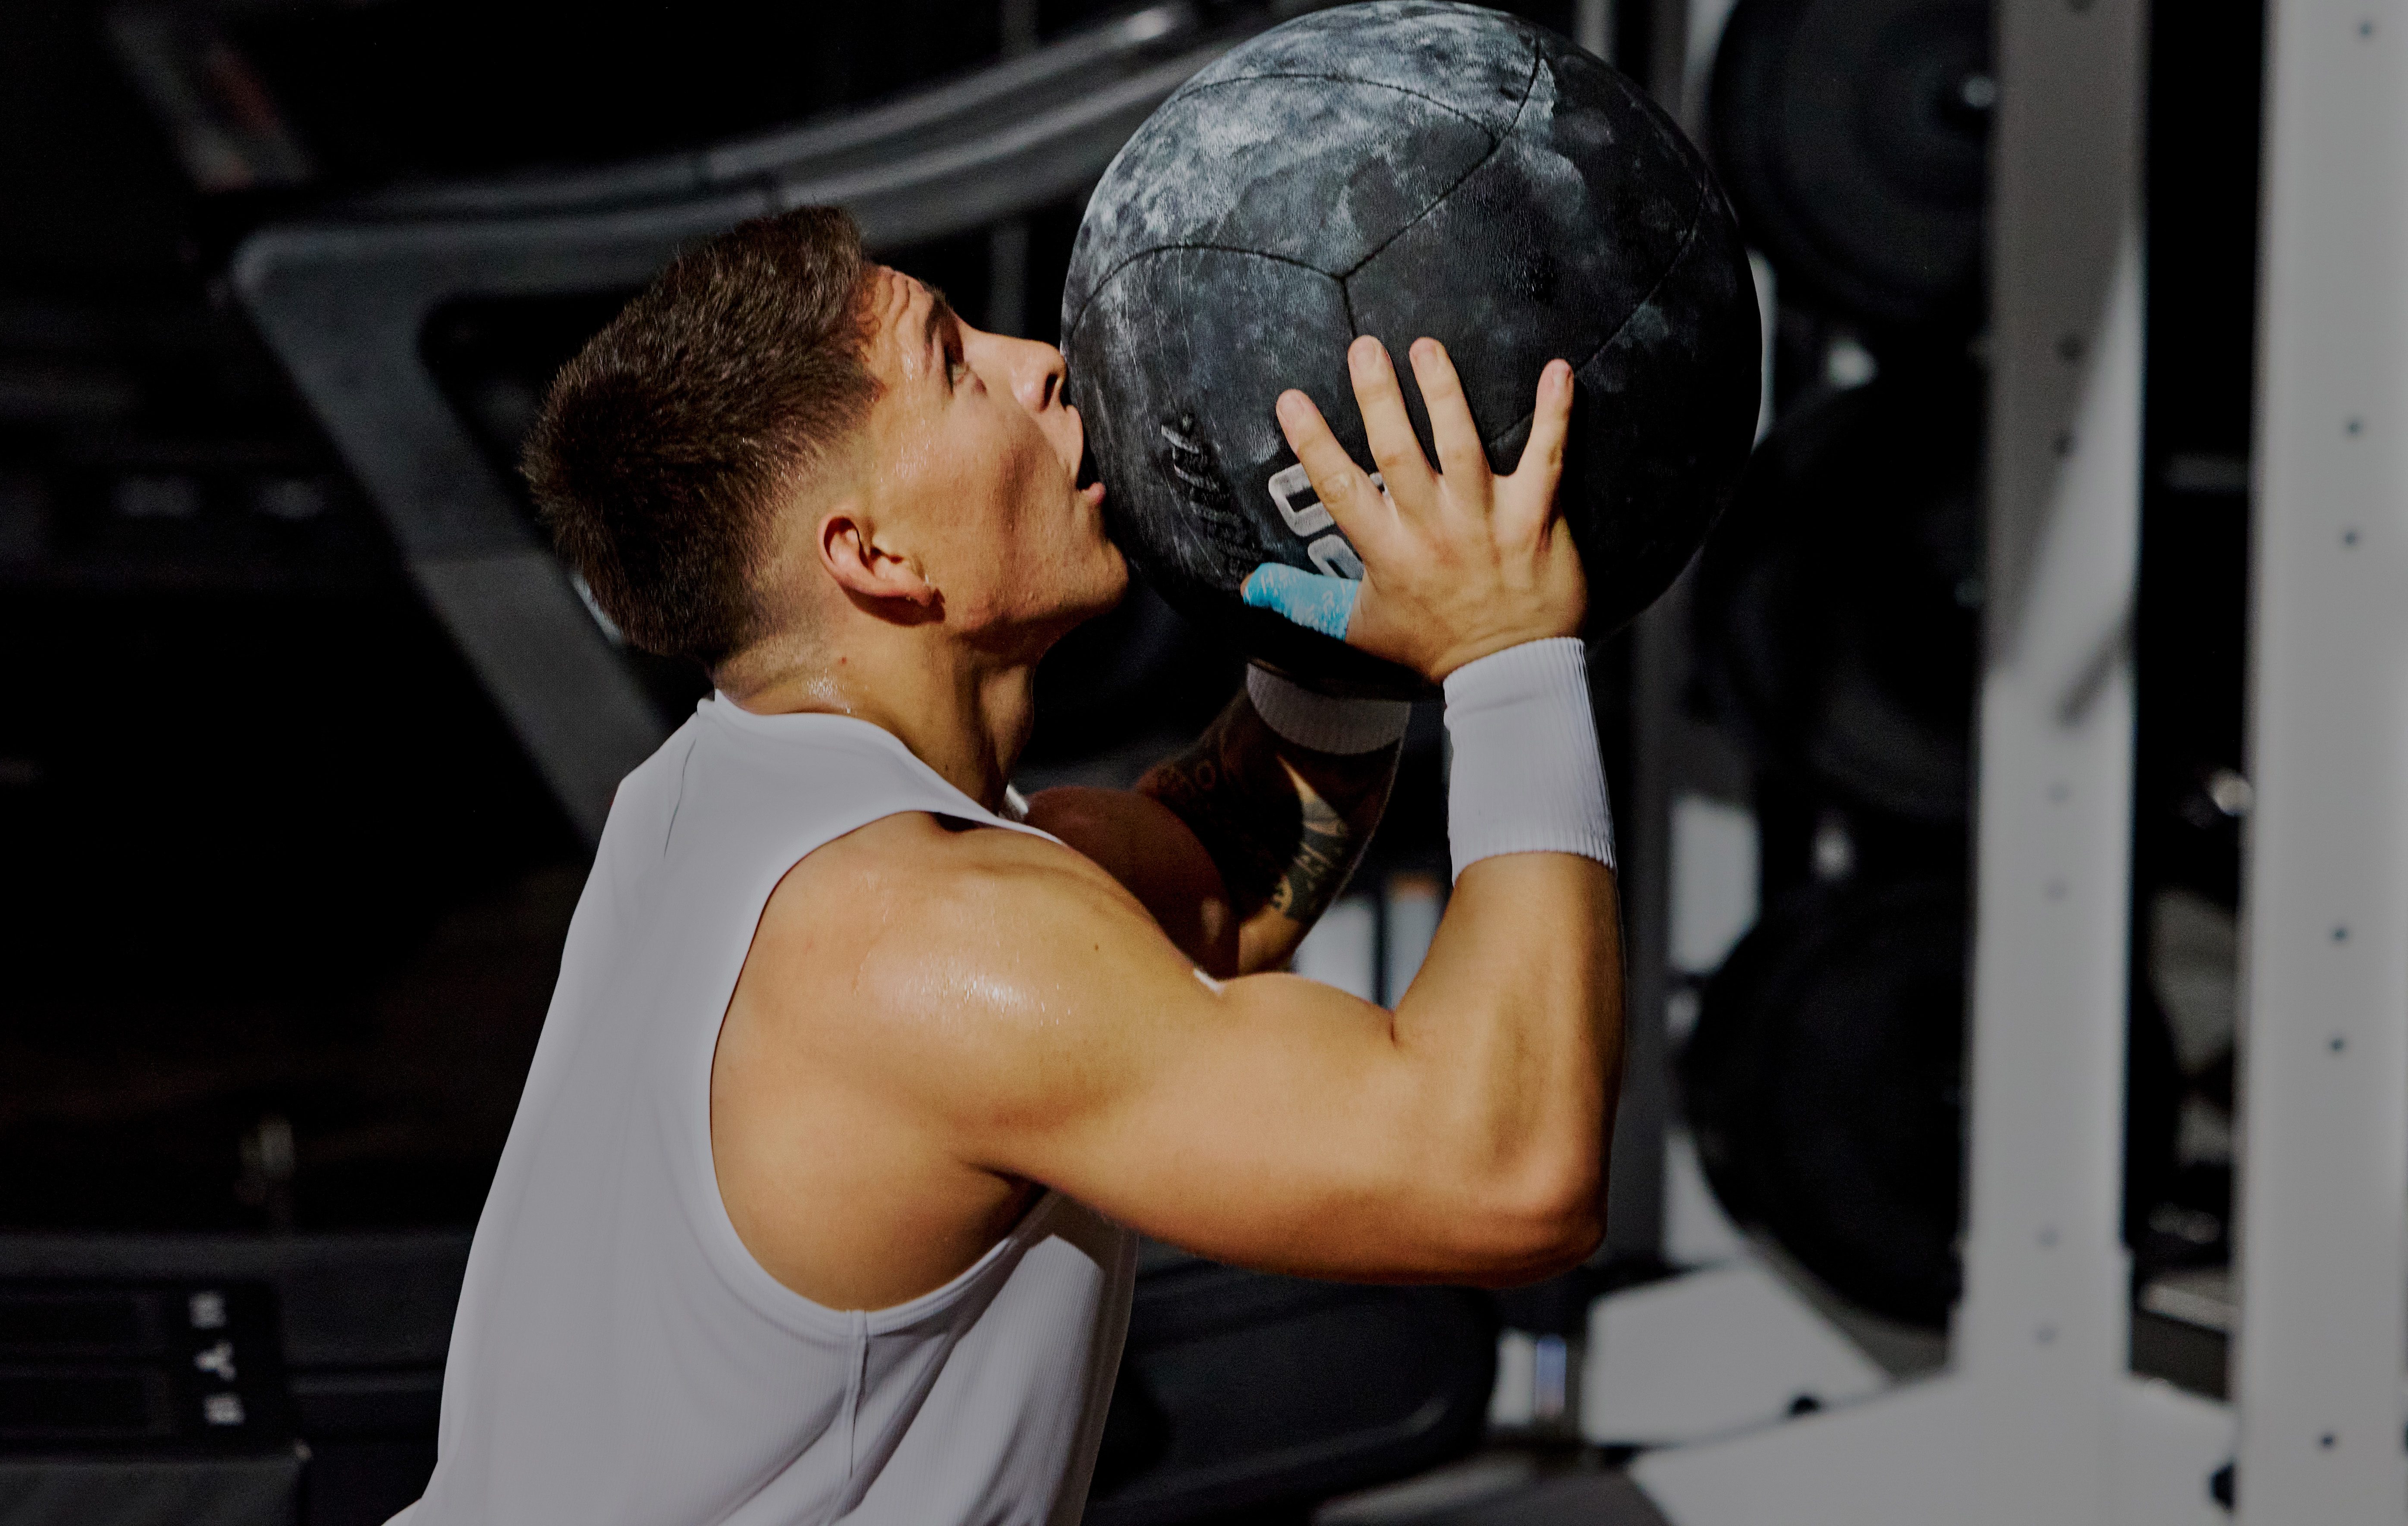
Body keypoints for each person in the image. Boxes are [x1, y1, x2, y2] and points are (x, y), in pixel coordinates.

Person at [398, 206, 1620, 1526]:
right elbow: (1510, 1178)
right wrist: (1506, 656)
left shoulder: (720, 799)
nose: (1038, 361)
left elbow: (1203, 884)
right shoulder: (920, 949)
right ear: (874, 555)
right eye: (955, 363)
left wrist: (1347, 635)